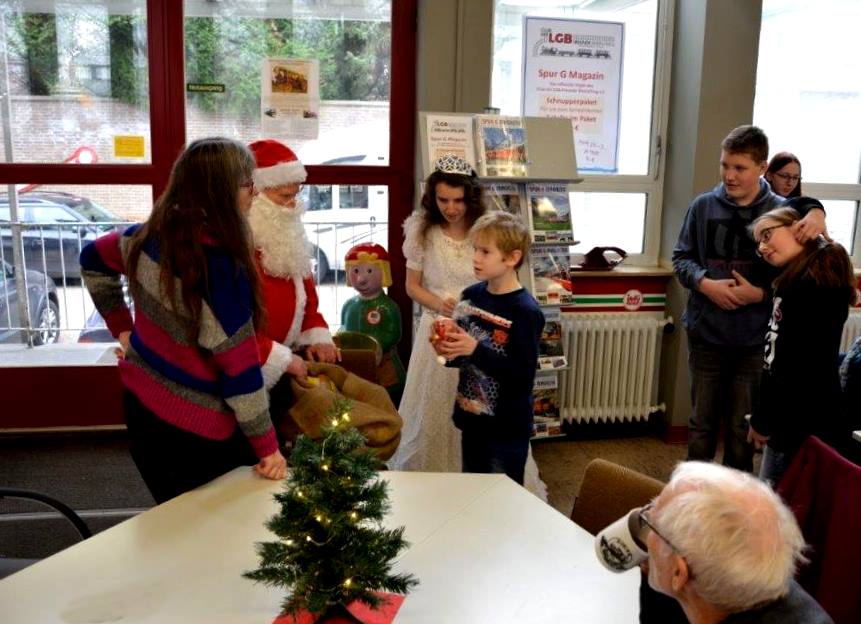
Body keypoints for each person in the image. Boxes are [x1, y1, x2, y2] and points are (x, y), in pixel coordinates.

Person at [80, 137, 286, 503]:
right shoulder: (222, 271)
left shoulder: (143, 238)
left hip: (142, 411)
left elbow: (91, 258)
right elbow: (240, 376)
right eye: (246, 183)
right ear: (218, 192)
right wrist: (269, 449)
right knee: (221, 531)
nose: (254, 192)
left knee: (174, 525)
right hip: (199, 433)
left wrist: (124, 330)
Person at [672, 125, 826, 472]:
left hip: (755, 342)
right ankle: (691, 502)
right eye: (725, 165)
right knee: (701, 428)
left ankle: (735, 510)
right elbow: (681, 259)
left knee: (744, 433)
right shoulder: (703, 207)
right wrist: (705, 284)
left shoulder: (784, 211)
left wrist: (758, 293)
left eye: (739, 168)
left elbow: (799, 274)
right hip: (706, 335)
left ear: (761, 167)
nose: (729, 175)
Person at [387, 154, 488, 473]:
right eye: (443, 199)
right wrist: (437, 302)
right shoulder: (421, 231)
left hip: (476, 332)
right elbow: (411, 287)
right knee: (433, 410)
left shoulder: (484, 231)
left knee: (475, 407)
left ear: (469, 198)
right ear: (433, 197)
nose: (451, 208)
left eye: (458, 200)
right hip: (437, 333)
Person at [639, 461, 833, 623]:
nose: (644, 519)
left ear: (679, 573)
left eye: (651, 523)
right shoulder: (737, 583)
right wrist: (656, 569)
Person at [747, 201, 856, 485]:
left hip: (798, 419)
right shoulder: (803, 274)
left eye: (767, 235)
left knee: (777, 505)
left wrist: (762, 419)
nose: (762, 248)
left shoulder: (807, 286)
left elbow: (788, 366)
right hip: (801, 414)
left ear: (799, 227)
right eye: (759, 242)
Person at [435, 211, 545, 485]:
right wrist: (446, 347)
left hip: (506, 428)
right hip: (471, 420)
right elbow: (459, 359)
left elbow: (522, 377)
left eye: (485, 251)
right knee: (472, 492)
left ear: (512, 258)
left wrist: (474, 349)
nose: (476, 257)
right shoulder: (471, 295)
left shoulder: (525, 311)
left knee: (502, 500)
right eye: (475, 249)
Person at [246, 139, 337, 392]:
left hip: (288, 360)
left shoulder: (288, 237)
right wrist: (280, 359)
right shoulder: (239, 249)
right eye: (284, 197)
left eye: (295, 196)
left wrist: (316, 337)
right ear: (256, 193)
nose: (292, 206)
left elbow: (307, 299)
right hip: (250, 367)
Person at [341, 242, 406, 403]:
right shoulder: (349, 305)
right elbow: (344, 327)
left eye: (369, 271)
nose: (361, 279)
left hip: (382, 367)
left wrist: (374, 345)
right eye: (355, 271)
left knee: (385, 398)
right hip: (355, 365)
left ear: (383, 272)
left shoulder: (387, 307)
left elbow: (393, 334)